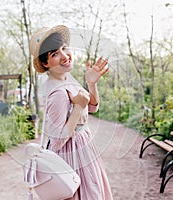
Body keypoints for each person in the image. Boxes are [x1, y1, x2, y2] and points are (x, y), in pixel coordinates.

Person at [29, 25, 113, 200]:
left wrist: (91, 84)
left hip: (83, 148)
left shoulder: (68, 80)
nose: (65, 56)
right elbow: (58, 139)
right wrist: (78, 108)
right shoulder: (57, 93)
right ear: (45, 63)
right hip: (71, 154)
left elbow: (92, 108)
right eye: (55, 54)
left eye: (64, 48)